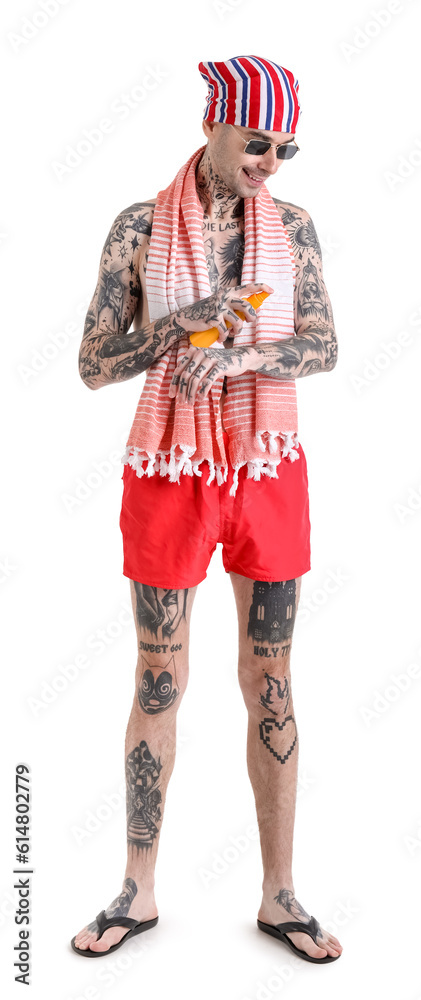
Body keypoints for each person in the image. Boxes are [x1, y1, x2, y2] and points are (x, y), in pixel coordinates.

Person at [71, 56, 342, 964]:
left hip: (265, 463)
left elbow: (324, 344)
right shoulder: (140, 227)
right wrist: (181, 324)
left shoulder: (293, 228)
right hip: (170, 463)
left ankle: (280, 896)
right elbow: (92, 364)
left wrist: (242, 358)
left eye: (283, 146)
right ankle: (138, 891)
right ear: (213, 127)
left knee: (270, 680)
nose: (271, 160)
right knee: (159, 678)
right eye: (257, 141)